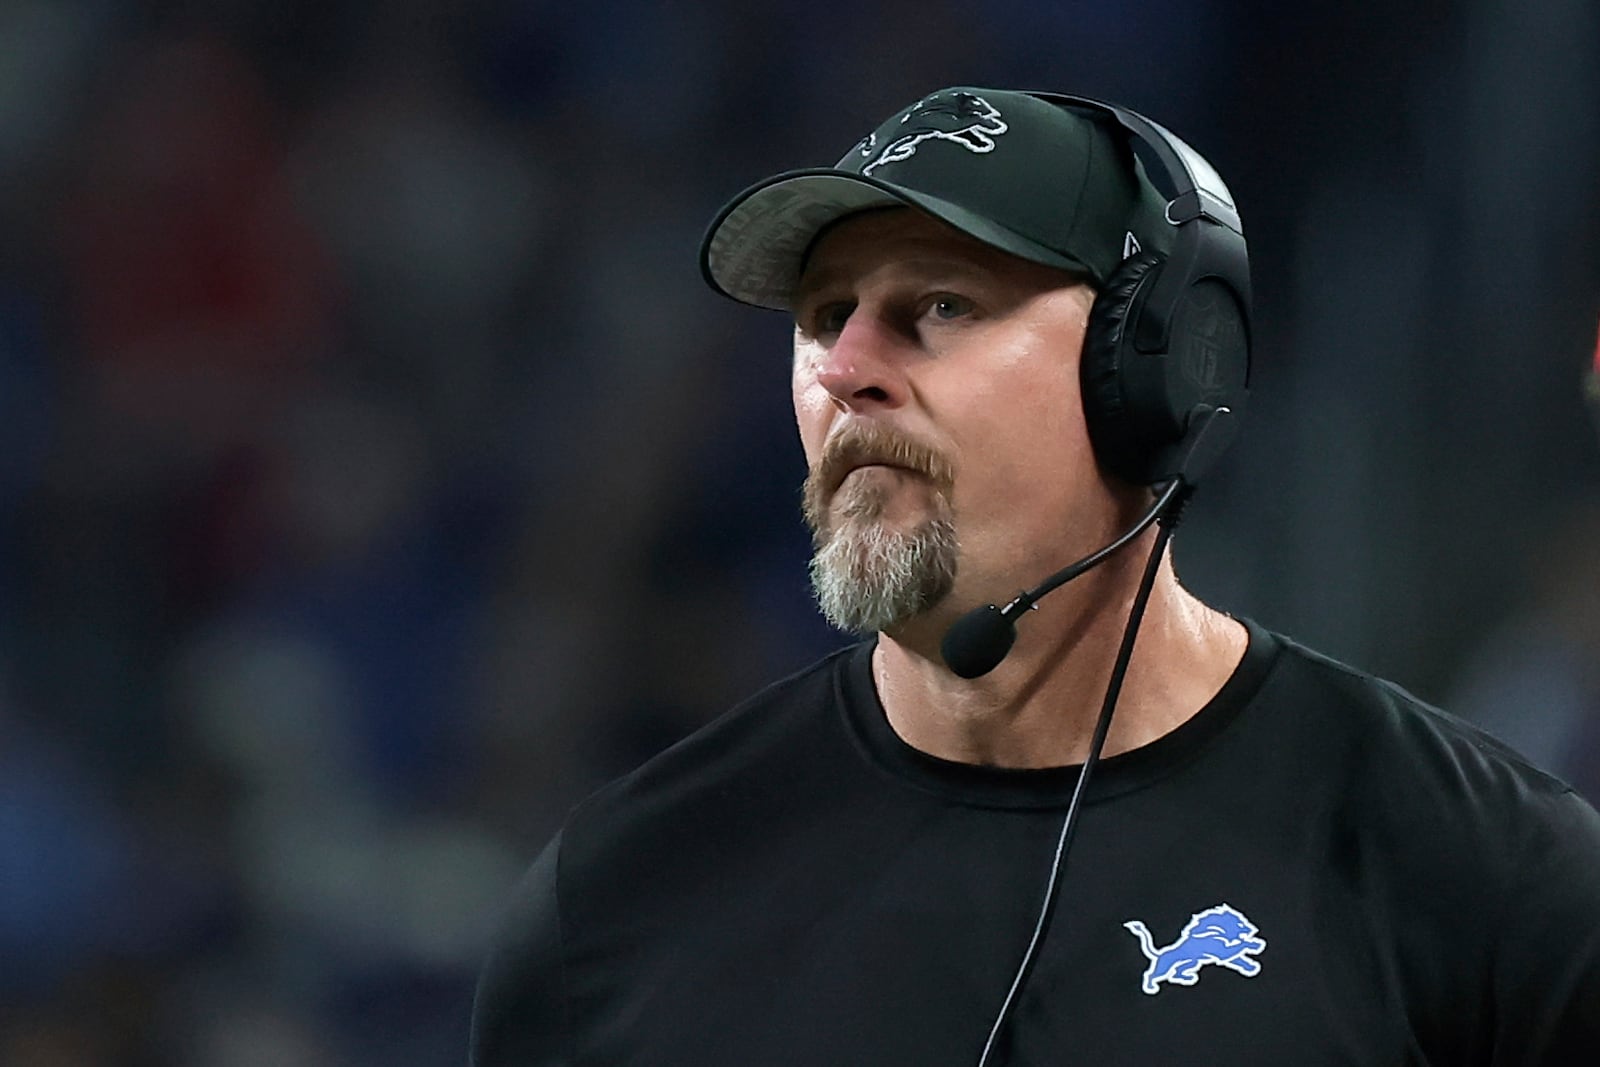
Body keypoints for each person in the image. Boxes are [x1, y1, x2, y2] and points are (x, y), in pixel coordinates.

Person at [470, 87, 1600, 1065]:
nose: (847, 370)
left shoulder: (1484, 881)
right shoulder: (616, 903)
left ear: (1156, 364)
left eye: (940, 306)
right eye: (823, 317)